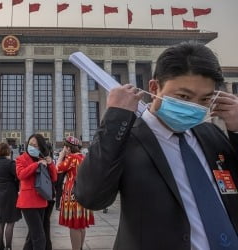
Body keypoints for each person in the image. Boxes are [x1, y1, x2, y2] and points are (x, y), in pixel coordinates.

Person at [75, 42, 238, 250]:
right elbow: (90, 197)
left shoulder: (211, 134)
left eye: (205, 99)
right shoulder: (126, 139)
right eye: (183, 97)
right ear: (154, 87)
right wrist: (115, 117)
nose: (194, 107)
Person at [16, 134, 57, 250]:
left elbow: (54, 178)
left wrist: (50, 164)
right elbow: (21, 174)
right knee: (39, 237)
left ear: (40, 147)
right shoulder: (21, 158)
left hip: (41, 200)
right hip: (28, 202)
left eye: (35, 145)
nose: (32, 147)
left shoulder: (42, 158)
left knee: (32, 237)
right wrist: (36, 165)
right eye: (30, 144)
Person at [56, 136, 94, 250]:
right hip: (84, 192)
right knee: (81, 224)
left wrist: (61, 156)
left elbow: (58, 168)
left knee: (74, 225)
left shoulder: (72, 158)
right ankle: (80, 247)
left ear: (68, 148)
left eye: (64, 147)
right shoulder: (83, 157)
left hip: (73, 193)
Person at [0, 142, 22, 250]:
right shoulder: (10, 163)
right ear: (7, 151)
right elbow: (18, 176)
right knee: (10, 221)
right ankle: (8, 246)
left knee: (0, 221)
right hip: (10, 192)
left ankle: (0, 245)